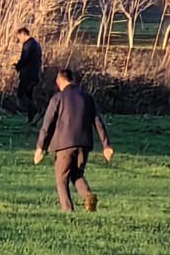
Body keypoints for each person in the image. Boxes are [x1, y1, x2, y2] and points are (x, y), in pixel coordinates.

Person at [34, 68, 113, 213]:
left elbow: (47, 124)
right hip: (84, 144)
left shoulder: (58, 98)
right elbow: (98, 121)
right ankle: (88, 196)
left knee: (61, 179)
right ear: (73, 80)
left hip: (64, 145)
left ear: (58, 82)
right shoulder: (87, 98)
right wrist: (106, 145)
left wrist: (40, 147)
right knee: (76, 174)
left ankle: (68, 210)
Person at [12, 27, 43, 122]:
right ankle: (31, 118)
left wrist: (17, 66)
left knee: (21, 94)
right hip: (35, 74)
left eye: (19, 37)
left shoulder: (28, 45)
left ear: (23, 34)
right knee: (29, 95)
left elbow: (25, 59)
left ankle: (35, 109)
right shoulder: (36, 44)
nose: (19, 40)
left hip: (27, 75)